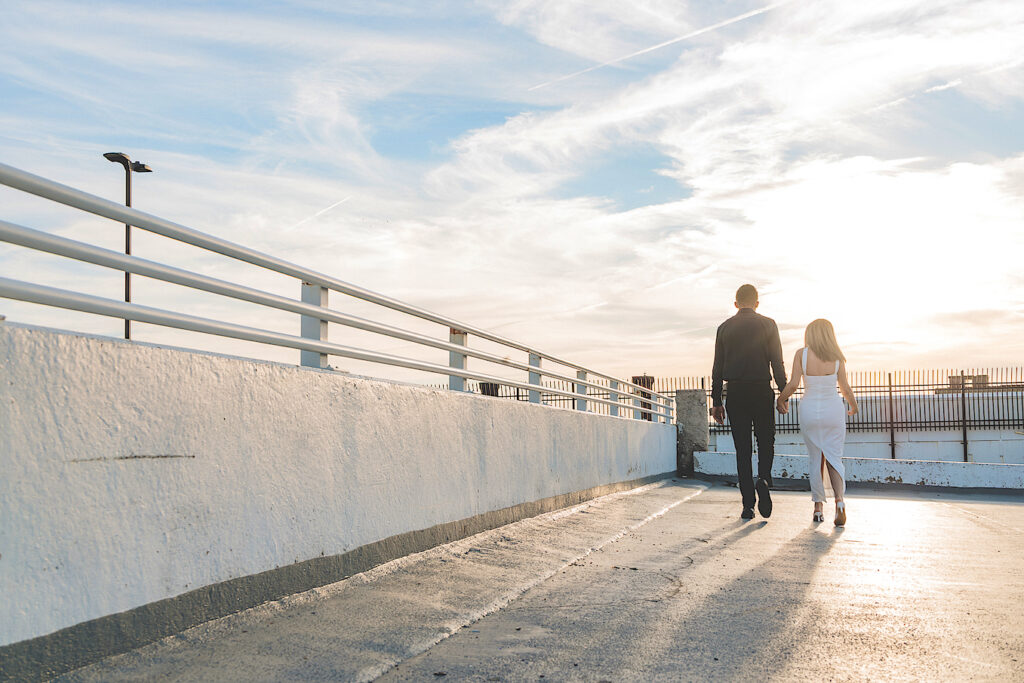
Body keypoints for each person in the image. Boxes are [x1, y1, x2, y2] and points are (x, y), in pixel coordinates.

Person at [711, 284, 787, 520]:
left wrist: (716, 400)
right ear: (757, 303)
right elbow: (777, 362)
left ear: (735, 304)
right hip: (761, 390)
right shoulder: (769, 325)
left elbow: (717, 368)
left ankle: (748, 505)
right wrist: (783, 393)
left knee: (742, 450)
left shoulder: (724, 328)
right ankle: (763, 479)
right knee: (766, 441)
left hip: (736, 393)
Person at [776, 319, 858, 526]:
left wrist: (780, 399)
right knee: (833, 457)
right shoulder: (837, 357)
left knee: (816, 458)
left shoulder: (801, 354)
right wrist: (854, 405)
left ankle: (818, 509)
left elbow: (793, 384)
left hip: (810, 410)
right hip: (833, 410)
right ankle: (840, 502)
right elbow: (845, 387)